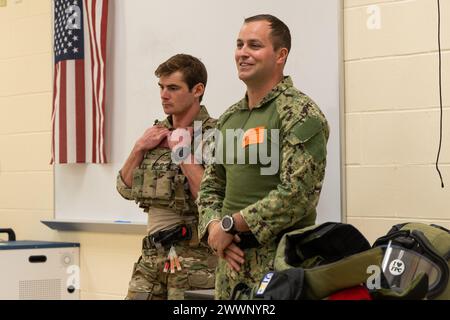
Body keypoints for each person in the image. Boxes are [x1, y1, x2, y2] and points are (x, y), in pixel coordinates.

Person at [197, 14, 330, 299]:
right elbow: (211, 186)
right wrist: (213, 228)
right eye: (239, 44)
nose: (242, 53)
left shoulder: (300, 113)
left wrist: (230, 225)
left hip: (279, 271)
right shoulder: (230, 118)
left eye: (254, 45)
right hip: (229, 269)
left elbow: (297, 195)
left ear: (280, 55)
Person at [116, 54, 217, 300]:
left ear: (197, 90)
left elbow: (211, 195)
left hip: (195, 262)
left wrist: (182, 152)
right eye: (161, 87)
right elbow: (125, 188)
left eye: (173, 88)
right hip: (152, 258)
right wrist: (139, 147)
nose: (164, 95)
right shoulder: (155, 133)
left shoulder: (214, 135)